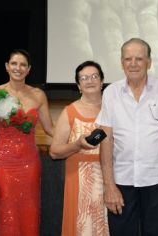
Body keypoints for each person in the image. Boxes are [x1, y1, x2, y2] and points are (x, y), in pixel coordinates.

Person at [96, 38, 158, 236]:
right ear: (121, 62)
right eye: (128, 59)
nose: (133, 64)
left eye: (139, 58)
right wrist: (109, 185)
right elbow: (106, 139)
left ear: (149, 62)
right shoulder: (111, 93)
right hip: (121, 180)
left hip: (157, 180)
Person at [0, 49, 54, 236]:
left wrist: (76, 137)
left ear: (29, 69)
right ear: (7, 67)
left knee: (29, 212)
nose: (18, 68)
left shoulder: (38, 95)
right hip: (2, 165)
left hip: (29, 165)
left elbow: (50, 129)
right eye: (14, 64)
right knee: (6, 215)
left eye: (23, 64)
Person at [49, 61, 109, 235]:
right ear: (78, 85)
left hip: (110, 179)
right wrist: (77, 145)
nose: (89, 81)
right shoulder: (70, 111)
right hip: (79, 179)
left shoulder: (113, 108)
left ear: (102, 80)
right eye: (84, 78)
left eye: (94, 76)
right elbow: (54, 152)